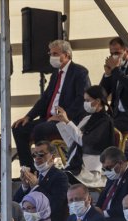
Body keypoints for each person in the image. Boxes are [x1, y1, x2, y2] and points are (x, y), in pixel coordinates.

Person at [12, 40, 91, 169]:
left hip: (67, 121)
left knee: (40, 129)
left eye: (55, 53)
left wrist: (63, 117)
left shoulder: (80, 72)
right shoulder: (56, 74)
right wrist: (28, 117)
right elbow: (45, 99)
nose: (52, 57)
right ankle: (28, 169)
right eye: (51, 53)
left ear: (67, 55)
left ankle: (44, 168)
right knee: (19, 128)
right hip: (49, 119)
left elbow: (81, 100)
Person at [54, 85, 115, 188]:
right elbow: (73, 143)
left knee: (60, 181)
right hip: (78, 165)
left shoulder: (105, 121)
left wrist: (68, 121)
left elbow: (85, 142)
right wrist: (62, 123)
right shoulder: (87, 118)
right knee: (55, 178)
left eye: (87, 100)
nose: (85, 103)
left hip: (92, 171)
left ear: (97, 101)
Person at [13, 140, 69, 221]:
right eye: (34, 155)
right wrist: (25, 186)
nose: (37, 158)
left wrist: (36, 186)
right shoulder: (36, 175)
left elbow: (55, 205)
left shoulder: (60, 176)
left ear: (53, 157)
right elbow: (16, 202)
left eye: (41, 154)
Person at [99, 37, 128, 134]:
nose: (113, 57)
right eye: (111, 54)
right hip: (116, 113)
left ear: (127, 51)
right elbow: (102, 93)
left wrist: (115, 70)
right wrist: (107, 75)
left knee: (106, 129)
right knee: (92, 124)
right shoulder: (116, 69)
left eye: (117, 53)